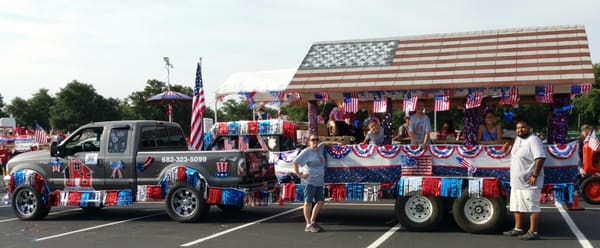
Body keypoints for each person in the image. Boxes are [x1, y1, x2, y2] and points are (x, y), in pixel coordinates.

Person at [502, 119, 546, 240]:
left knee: (532, 206)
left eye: (523, 127)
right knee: (517, 206)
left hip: (530, 182)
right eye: (517, 128)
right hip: (517, 182)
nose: (519, 130)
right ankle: (518, 228)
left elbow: (540, 158)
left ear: (529, 128)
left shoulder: (534, 140)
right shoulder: (518, 139)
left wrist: (534, 176)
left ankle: (533, 232)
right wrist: (508, 144)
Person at [292, 134, 338, 233]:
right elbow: (295, 162)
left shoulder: (320, 148)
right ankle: (308, 224)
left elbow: (325, 143)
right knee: (308, 202)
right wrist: (299, 174)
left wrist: (337, 143)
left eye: (317, 140)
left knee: (320, 201)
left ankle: (312, 221)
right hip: (309, 181)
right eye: (313, 140)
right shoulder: (306, 152)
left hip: (319, 181)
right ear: (309, 141)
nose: (315, 142)